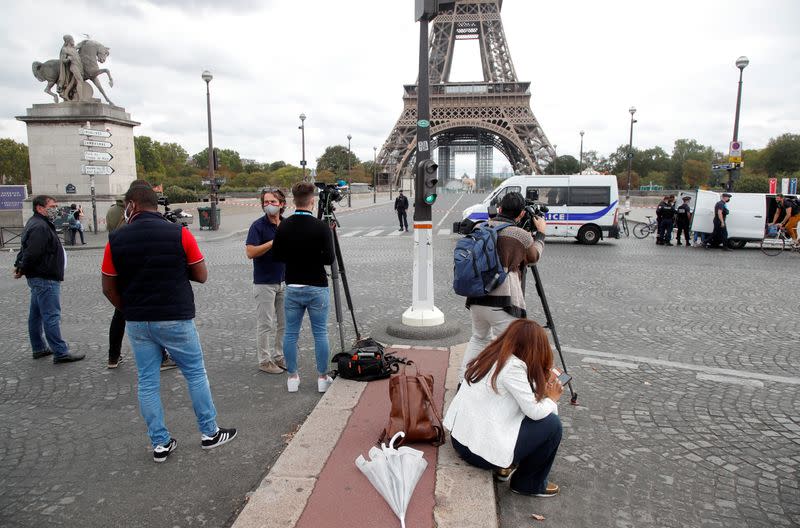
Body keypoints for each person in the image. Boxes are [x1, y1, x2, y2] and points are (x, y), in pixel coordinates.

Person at [101, 183, 236, 462]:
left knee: (147, 382)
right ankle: (209, 432)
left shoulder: (116, 239)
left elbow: (108, 287)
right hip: (175, 316)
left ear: (132, 205)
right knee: (195, 374)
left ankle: (160, 443)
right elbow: (201, 275)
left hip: (138, 321)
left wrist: (128, 309)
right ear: (153, 203)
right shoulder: (179, 233)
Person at [444, 319, 563, 497]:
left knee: (530, 413)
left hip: (460, 440)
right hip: (477, 453)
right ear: (533, 349)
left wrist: (540, 386)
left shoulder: (493, 354)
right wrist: (552, 399)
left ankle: (504, 466)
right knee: (552, 425)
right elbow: (535, 412)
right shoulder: (513, 367)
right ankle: (529, 483)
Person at [459, 191, 545, 380]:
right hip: (502, 302)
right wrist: (540, 234)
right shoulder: (520, 235)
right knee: (510, 345)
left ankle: (463, 382)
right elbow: (533, 257)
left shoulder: (482, 226)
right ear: (521, 214)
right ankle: (506, 387)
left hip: (476, 298)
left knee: (478, 339)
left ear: (499, 208)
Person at [271, 181, 335, 393]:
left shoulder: (284, 226)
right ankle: (322, 378)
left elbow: (278, 256)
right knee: (320, 333)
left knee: (290, 334)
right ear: (312, 201)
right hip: (317, 285)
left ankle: (292, 378)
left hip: (293, 286)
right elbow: (329, 259)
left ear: (292, 201)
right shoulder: (321, 227)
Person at [106, 189, 176, 371]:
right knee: (153, 316)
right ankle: (161, 358)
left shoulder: (113, 211)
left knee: (119, 316)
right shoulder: (133, 218)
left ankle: (113, 356)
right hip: (139, 267)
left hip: (121, 266)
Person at [14, 195, 85, 363]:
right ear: (40, 208)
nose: (56, 209)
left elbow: (25, 248)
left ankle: (39, 347)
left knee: (36, 314)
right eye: (52, 206)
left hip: (40, 276)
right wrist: (22, 267)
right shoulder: (40, 226)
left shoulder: (37, 223)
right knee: (50, 316)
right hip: (45, 276)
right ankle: (60, 352)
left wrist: (20, 266)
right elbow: (32, 252)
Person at [245, 188, 287, 374]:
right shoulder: (258, 226)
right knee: (265, 324)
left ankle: (279, 355)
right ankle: (264, 360)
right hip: (264, 282)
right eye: (266, 202)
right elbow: (250, 252)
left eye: (273, 202)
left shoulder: (286, 224)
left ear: (282, 204)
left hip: (284, 281)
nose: (269, 205)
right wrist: (273, 242)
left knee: (284, 323)